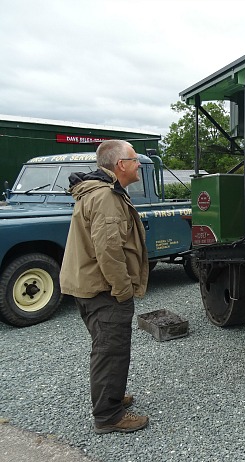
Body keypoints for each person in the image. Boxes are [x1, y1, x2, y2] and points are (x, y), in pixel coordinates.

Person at [60, 139, 149, 434]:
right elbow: (109, 251)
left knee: (106, 346)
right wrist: (123, 291)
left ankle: (111, 394)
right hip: (104, 290)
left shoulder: (98, 191)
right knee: (111, 350)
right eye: (135, 160)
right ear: (121, 165)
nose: (139, 165)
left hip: (89, 285)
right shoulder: (106, 197)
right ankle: (109, 416)